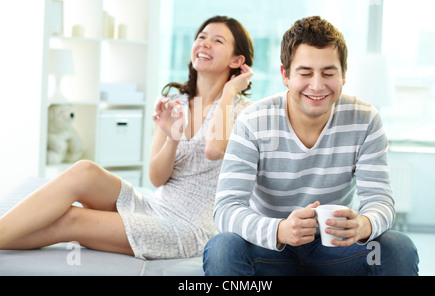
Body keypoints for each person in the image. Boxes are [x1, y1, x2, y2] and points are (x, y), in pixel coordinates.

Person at [0, 15, 254, 260]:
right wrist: (172, 137)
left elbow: (214, 149)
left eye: (218, 41)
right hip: (154, 206)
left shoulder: (239, 109)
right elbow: (157, 178)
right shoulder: (175, 102)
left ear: (236, 60)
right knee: (84, 170)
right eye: (202, 36)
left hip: (186, 226)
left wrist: (230, 90)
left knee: (71, 218)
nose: (205, 44)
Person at [203, 16, 419, 275]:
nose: (317, 86)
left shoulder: (365, 120)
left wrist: (363, 225)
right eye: (305, 73)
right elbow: (226, 209)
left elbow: (380, 201)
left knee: (397, 246)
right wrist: (280, 230)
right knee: (222, 248)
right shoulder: (253, 121)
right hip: (271, 250)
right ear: (285, 74)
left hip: (337, 250)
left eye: (328, 73)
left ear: (344, 74)